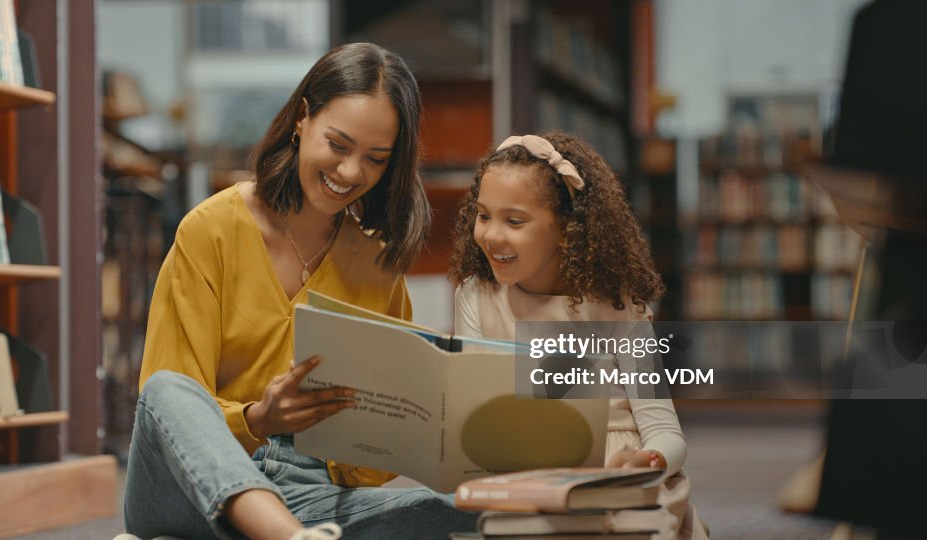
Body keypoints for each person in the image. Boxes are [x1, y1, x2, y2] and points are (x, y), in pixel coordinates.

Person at [123, 43, 477, 540]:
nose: (351, 173)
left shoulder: (378, 267)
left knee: (455, 509)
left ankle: (275, 532)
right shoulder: (211, 229)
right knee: (166, 389)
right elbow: (168, 416)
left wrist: (404, 435)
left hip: (312, 493)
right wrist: (258, 419)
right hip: (186, 488)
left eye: (376, 159)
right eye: (338, 145)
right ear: (303, 118)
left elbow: (369, 468)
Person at [448, 132, 706, 540]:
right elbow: (480, 416)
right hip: (526, 473)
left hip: (619, 475)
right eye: (483, 215)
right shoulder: (475, 298)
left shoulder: (621, 307)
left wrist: (650, 461)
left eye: (514, 221)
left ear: (567, 230)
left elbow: (665, 430)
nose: (492, 236)